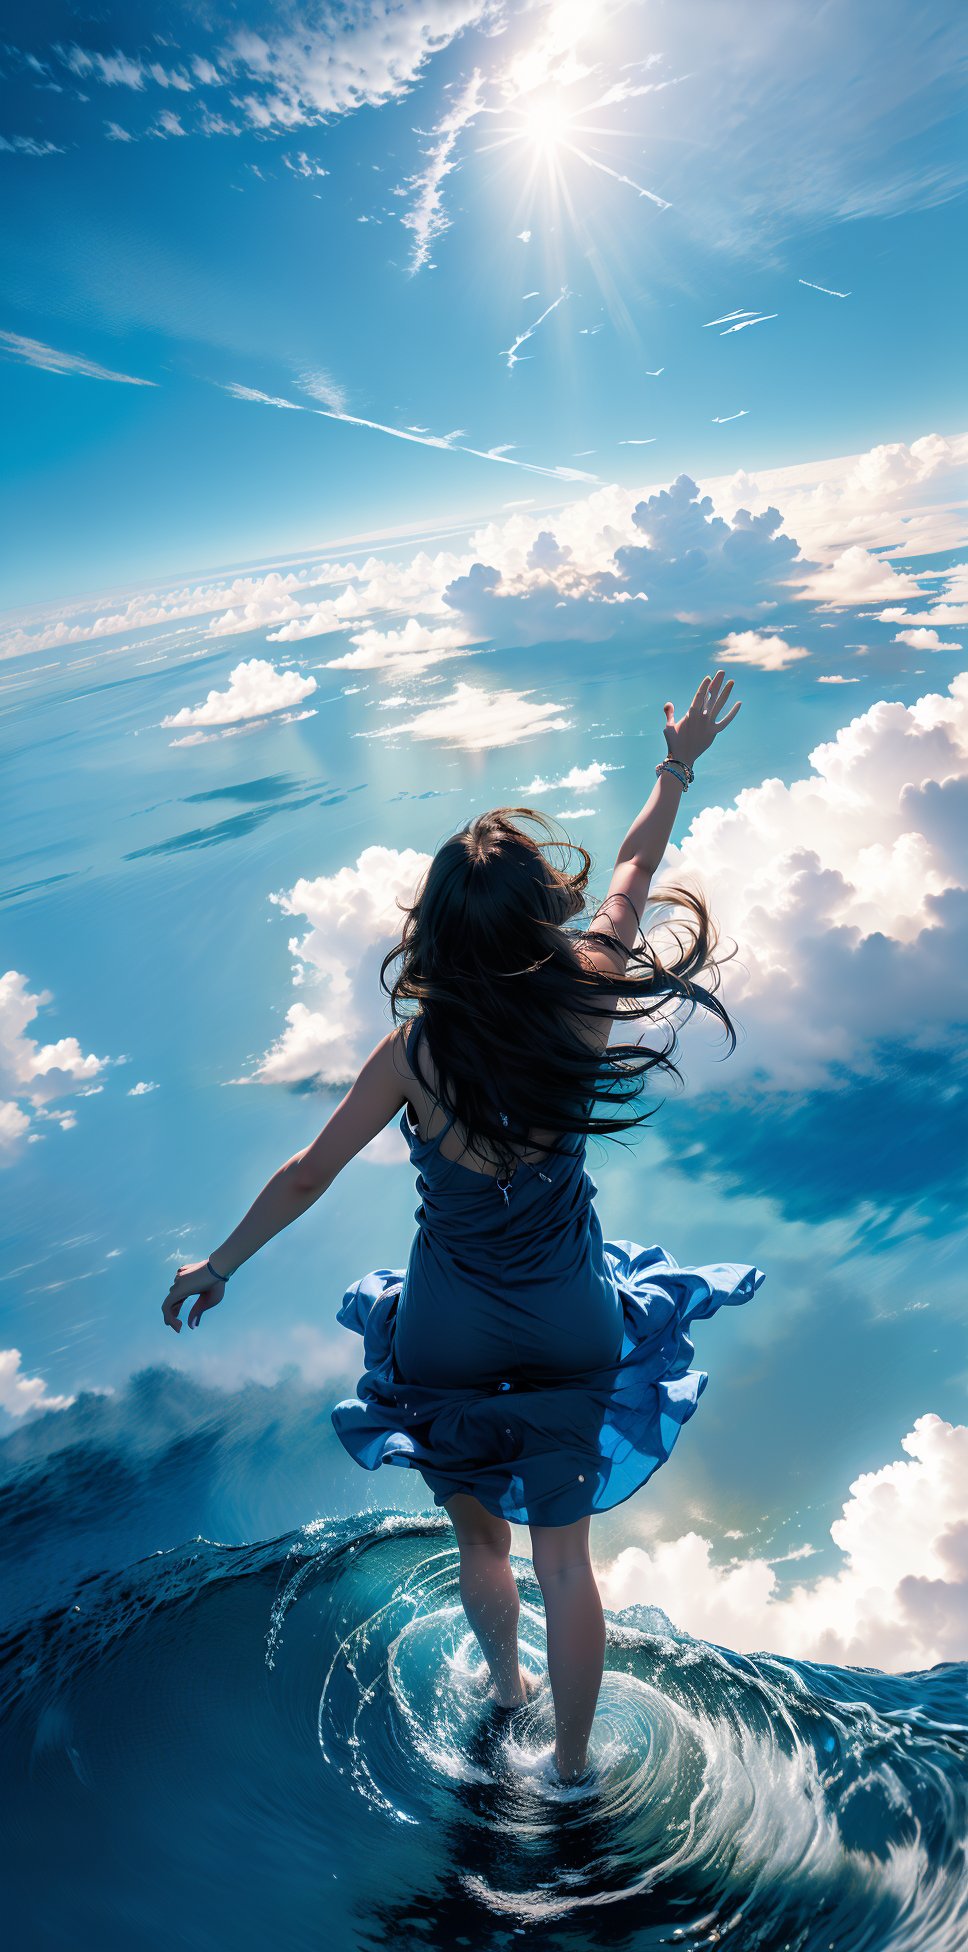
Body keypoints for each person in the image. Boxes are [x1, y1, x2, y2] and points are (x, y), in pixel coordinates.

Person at [162, 671, 765, 1785]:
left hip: (447, 1325)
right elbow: (632, 868)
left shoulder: (412, 1054)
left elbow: (304, 1176)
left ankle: (505, 1694)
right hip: (568, 1314)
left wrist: (219, 1263)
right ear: (541, 921)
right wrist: (675, 762)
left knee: (478, 1539)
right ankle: (573, 1771)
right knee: (566, 1564)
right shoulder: (585, 993)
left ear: (434, 931)